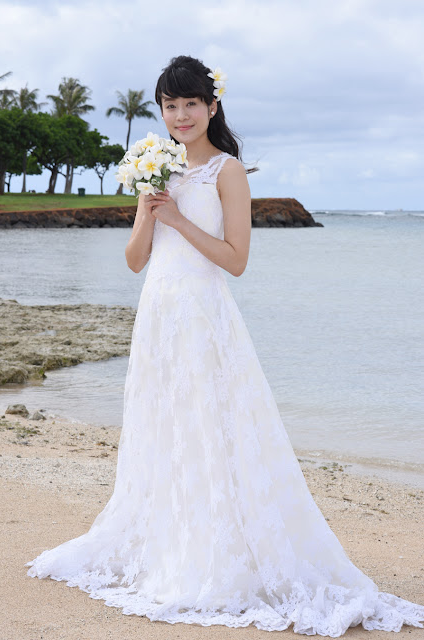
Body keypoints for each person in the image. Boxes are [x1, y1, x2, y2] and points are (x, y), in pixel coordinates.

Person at [25, 55, 424, 636]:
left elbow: (236, 261)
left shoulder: (227, 171)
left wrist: (182, 221)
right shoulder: (152, 166)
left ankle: (219, 554)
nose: (181, 115)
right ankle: (170, 543)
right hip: (158, 315)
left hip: (204, 317)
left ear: (212, 107)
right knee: (164, 431)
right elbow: (137, 260)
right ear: (160, 111)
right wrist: (147, 203)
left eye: (191, 104)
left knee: (212, 431)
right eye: (170, 105)